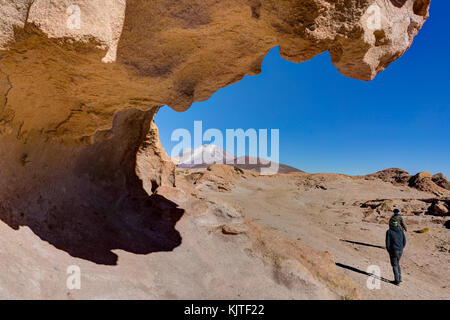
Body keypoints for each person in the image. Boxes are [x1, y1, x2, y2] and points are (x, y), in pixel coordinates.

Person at [385, 215, 407, 286]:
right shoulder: (401, 231)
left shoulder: (389, 231)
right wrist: (401, 248)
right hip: (400, 250)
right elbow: (404, 241)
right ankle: (399, 278)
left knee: (394, 265)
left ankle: (397, 281)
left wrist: (389, 251)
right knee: (397, 263)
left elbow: (387, 243)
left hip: (393, 251)